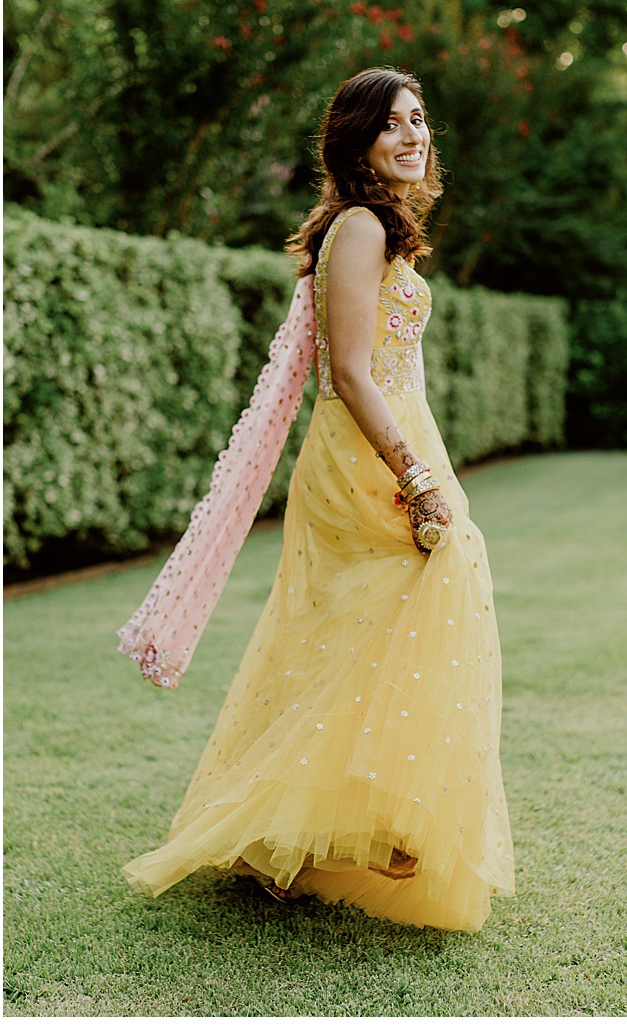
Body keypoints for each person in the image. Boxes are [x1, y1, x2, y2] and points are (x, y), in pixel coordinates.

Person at [120, 68, 515, 932]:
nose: (414, 136)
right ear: (356, 143)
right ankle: (324, 829)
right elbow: (348, 370)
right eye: (392, 126)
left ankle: (335, 831)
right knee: (407, 601)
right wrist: (412, 474)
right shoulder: (363, 228)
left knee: (360, 631)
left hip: (396, 436)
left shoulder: (381, 232)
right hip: (364, 456)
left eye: (420, 121)